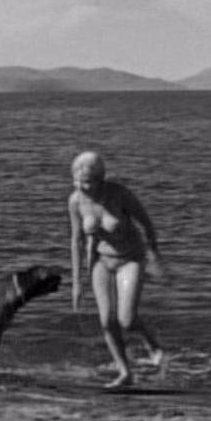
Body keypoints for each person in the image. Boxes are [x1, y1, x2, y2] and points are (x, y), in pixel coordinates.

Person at [68, 151, 165, 388]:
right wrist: (77, 283)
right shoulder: (75, 201)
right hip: (100, 261)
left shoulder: (120, 194)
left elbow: (147, 224)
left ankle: (153, 345)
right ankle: (125, 372)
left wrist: (154, 255)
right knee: (106, 321)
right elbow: (76, 241)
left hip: (130, 259)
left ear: (101, 179)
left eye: (87, 182)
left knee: (126, 319)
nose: (82, 187)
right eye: (78, 182)